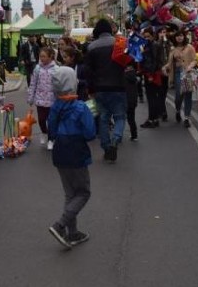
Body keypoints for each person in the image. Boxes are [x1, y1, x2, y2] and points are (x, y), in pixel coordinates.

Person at [47, 66, 96, 249]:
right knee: (83, 192)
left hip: (59, 151)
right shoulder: (81, 107)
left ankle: (73, 233)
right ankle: (60, 225)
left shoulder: (55, 107)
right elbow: (90, 133)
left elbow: (51, 130)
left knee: (70, 193)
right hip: (76, 151)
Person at [83, 18, 127, 162]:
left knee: (103, 119)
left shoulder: (91, 47)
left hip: (100, 88)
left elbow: (88, 71)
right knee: (119, 117)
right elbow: (127, 63)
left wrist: (90, 89)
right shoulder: (119, 44)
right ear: (109, 30)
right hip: (119, 86)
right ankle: (116, 139)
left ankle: (106, 147)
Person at [27, 46, 58, 150]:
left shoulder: (56, 69)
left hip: (52, 100)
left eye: (44, 56)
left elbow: (59, 85)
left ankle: (51, 139)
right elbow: (33, 83)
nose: (42, 58)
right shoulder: (37, 68)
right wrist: (30, 98)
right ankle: (44, 133)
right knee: (41, 120)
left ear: (50, 57)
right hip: (40, 99)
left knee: (51, 121)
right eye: (40, 56)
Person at [167, 29, 197, 128]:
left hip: (187, 73)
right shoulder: (173, 48)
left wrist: (190, 66)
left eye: (181, 35)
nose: (179, 37)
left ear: (184, 37)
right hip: (177, 73)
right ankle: (177, 110)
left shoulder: (190, 47)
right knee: (179, 95)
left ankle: (187, 117)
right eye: (177, 36)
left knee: (188, 94)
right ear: (175, 38)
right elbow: (170, 63)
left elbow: (195, 60)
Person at [139, 27, 165, 129]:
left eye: (148, 36)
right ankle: (154, 119)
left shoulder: (153, 45)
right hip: (151, 73)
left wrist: (150, 74)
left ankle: (152, 119)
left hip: (152, 74)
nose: (146, 38)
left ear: (152, 36)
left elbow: (154, 60)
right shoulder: (150, 45)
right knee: (153, 97)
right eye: (145, 37)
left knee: (152, 97)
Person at [124, 63, 139, 142]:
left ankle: (118, 135)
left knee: (121, 118)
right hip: (133, 100)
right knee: (131, 118)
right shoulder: (133, 75)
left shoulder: (123, 75)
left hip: (124, 99)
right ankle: (134, 135)